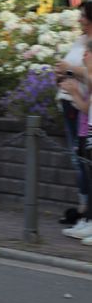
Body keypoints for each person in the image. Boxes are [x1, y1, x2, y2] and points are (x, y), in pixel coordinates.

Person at [55, 0, 92, 228]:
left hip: (82, 107)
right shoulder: (82, 40)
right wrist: (62, 76)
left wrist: (69, 71)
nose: (79, 19)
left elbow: (89, 74)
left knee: (83, 160)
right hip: (74, 104)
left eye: (83, 16)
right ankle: (84, 212)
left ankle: (86, 213)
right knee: (80, 159)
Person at [60, 35, 92, 244]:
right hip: (86, 129)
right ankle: (88, 220)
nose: (84, 56)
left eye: (88, 53)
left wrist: (73, 85)